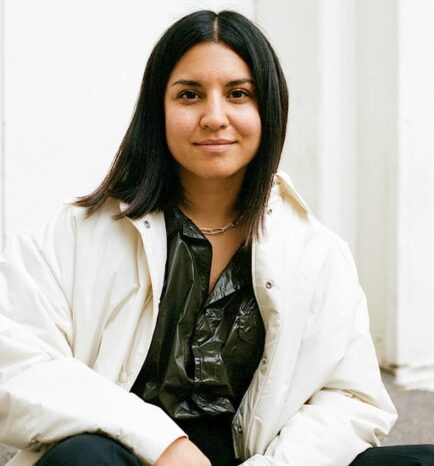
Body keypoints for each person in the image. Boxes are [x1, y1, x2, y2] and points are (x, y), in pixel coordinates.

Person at [0, 9, 433, 466]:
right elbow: (17, 363)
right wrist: (163, 444)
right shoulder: (76, 235)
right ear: (157, 110)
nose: (214, 117)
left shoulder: (315, 252)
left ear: (268, 109)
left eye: (238, 94)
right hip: (125, 461)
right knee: (84, 456)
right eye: (189, 95)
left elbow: (350, 398)